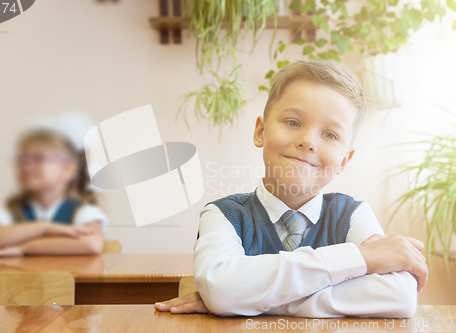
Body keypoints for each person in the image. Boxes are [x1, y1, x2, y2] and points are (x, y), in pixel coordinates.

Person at [155, 60, 428, 317]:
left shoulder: (354, 215)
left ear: (344, 160)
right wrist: (360, 257)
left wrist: (252, 298)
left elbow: (401, 296)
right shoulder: (222, 214)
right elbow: (220, 286)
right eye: (293, 122)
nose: (308, 141)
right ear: (260, 132)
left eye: (330, 134)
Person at [0, 129, 108, 257]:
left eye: (38, 158)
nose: (27, 165)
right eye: (22, 160)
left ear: (68, 169)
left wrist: (24, 248)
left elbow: (91, 243)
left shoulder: (82, 210)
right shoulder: (9, 209)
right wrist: (44, 228)